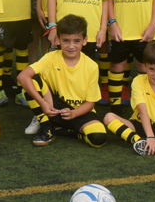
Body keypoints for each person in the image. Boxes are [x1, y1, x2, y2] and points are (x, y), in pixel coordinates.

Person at [20, 14, 110, 148]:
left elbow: (91, 103)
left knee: (98, 138)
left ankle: (65, 130)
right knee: (31, 80)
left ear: (85, 40)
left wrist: (74, 113)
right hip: (54, 108)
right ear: (58, 40)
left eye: (76, 41)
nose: (71, 46)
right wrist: (43, 104)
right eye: (66, 40)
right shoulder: (50, 58)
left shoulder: (92, 66)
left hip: (80, 111)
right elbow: (22, 76)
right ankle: (46, 124)